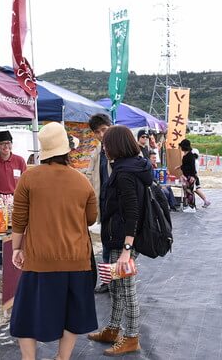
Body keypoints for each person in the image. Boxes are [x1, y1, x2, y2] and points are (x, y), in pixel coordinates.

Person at [10, 122, 98, 360]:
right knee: (73, 313)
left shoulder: (29, 178)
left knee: (26, 314)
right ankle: (62, 357)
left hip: (39, 259)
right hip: (77, 259)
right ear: (67, 149)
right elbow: (91, 219)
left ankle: (29, 359)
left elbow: (19, 219)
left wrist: (17, 248)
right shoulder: (82, 181)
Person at [88, 125, 152, 356]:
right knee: (114, 285)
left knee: (126, 289)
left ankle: (132, 337)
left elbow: (132, 213)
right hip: (115, 239)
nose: (104, 148)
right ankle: (113, 329)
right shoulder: (129, 167)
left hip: (123, 242)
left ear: (116, 146)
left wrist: (127, 249)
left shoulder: (125, 173)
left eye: (106, 144)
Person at [0, 130, 27, 271]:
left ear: (12, 144)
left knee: (16, 233)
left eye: (8, 143)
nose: (5, 146)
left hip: (16, 202)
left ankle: (16, 266)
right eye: (2, 144)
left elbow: (25, 181)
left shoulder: (19, 161)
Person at [87, 113, 112, 294]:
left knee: (119, 247)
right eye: (98, 132)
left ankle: (119, 282)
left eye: (104, 130)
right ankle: (107, 281)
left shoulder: (121, 149)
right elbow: (89, 177)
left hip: (119, 206)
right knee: (106, 245)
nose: (102, 134)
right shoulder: (96, 152)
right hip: (103, 205)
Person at [177, 139, 211, 212]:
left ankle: (191, 207)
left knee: (190, 192)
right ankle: (191, 206)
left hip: (190, 176)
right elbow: (186, 166)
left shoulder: (189, 156)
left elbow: (192, 168)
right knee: (189, 192)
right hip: (188, 176)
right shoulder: (187, 155)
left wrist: (192, 176)